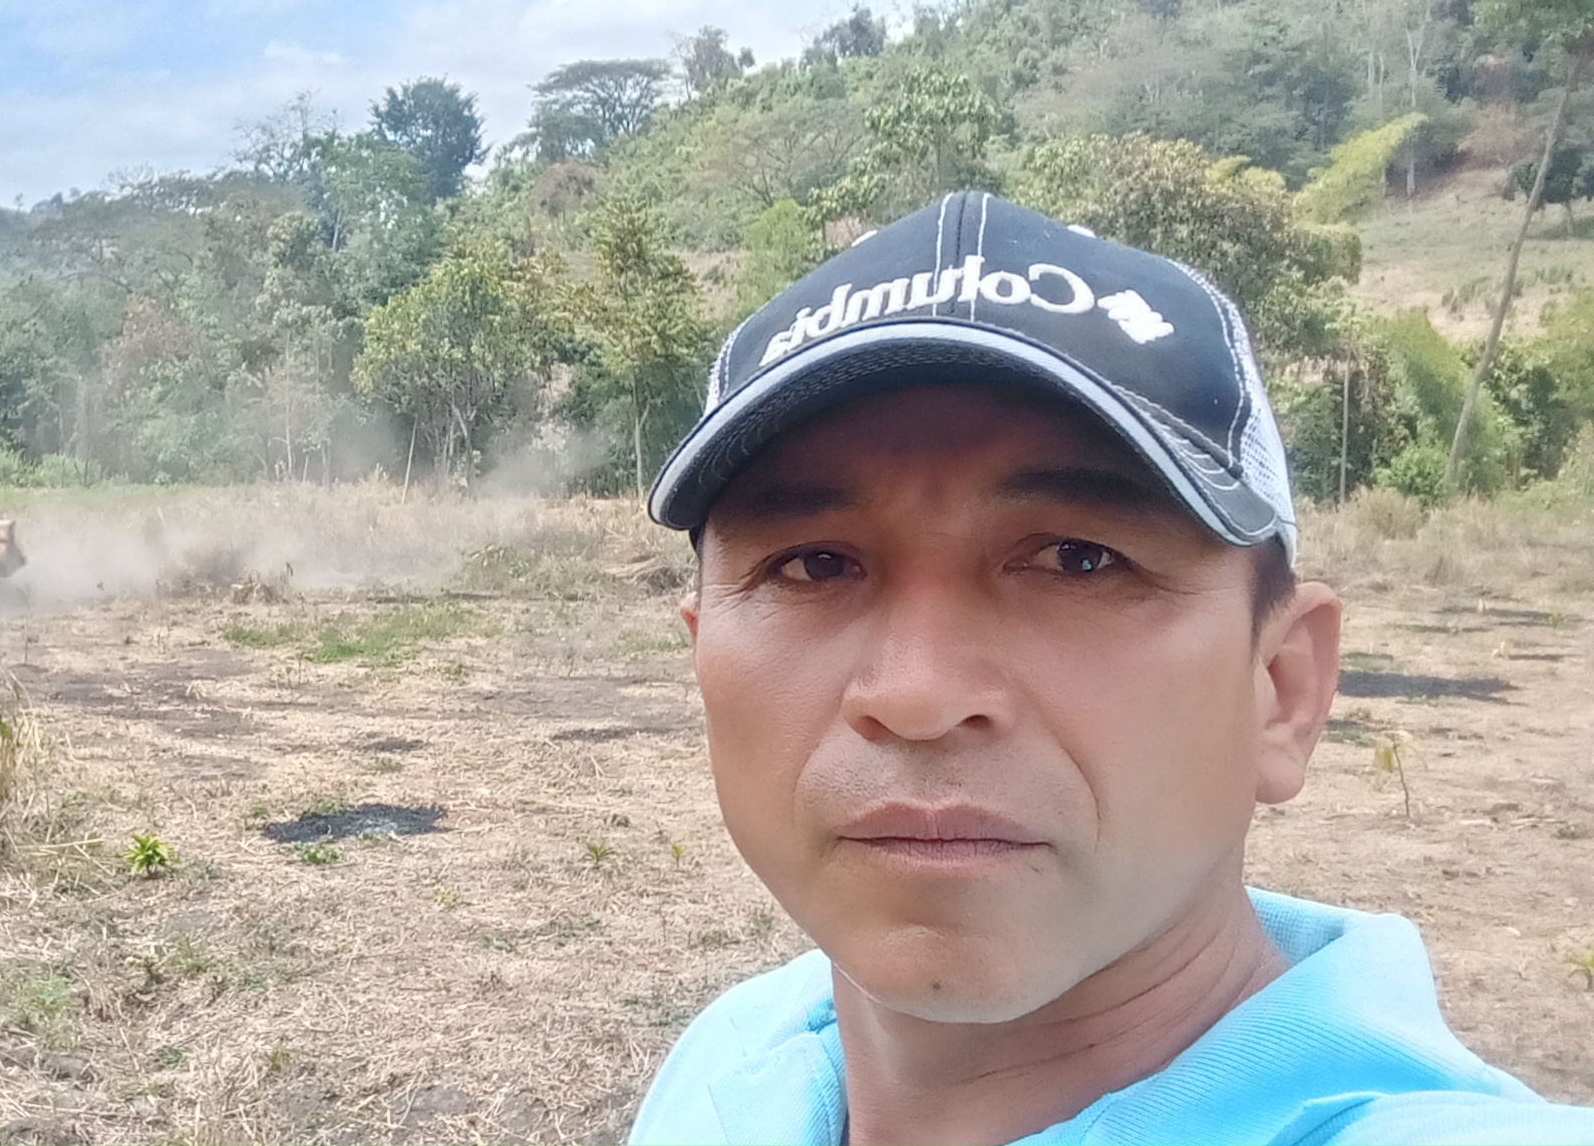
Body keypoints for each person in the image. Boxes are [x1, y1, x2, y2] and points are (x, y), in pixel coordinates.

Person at [631, 192, 1594, 1145]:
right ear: (703, 653)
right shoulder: (732, 1059)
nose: (918, 694)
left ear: (1282, 690)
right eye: (812, 565)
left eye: (1078, 560)